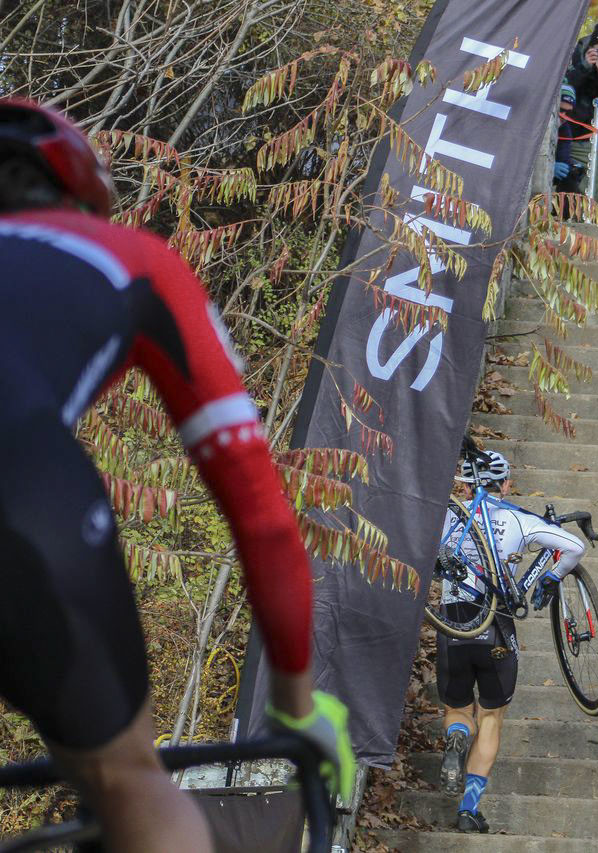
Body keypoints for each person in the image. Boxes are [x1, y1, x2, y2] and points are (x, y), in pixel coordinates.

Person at [0, 98, 354, 852]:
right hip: (20, 488)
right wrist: (296, 705)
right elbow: (259, 509)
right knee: (132, 784)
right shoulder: (128, 256)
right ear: (77, 189)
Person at [437, 448, 585, 832]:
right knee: (490, 718)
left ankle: (455, 738)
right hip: (496, 627)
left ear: (466, 485)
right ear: (505, 484)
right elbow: (574, 547)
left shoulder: (446, 516)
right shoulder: (518, 519)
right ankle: (469, 811)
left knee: (458, 710)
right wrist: (551, 578)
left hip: (452, 622)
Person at [560, 22, 598, 196]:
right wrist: (585, 67)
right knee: (558, 173)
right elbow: (563, 88)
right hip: (557, 129)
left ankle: (583, 219)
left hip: (582, 137)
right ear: (592, 46)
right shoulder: (575, 54)